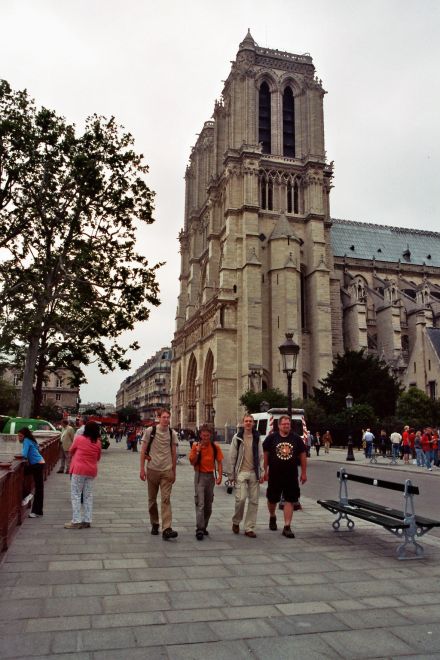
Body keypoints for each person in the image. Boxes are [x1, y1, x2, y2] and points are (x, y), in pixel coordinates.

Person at [263, 414, 307, 539]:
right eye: (284, 424)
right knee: (272, 499)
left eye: (288, 424)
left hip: (291, 475)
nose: (286, 426)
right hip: (275, 474)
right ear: (279, 426)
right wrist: (264, 470)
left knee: (290, 499)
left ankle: (287, 527)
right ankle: (272, 516)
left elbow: (303, 455)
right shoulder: (272, 438)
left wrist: (304, 473)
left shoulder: (296, 438)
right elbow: (265, 454)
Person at [140, 409, 179, 540]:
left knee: (166, 499)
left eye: (168, 417)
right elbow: (143, 450)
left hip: (166, 471)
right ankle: (155, 523)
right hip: (152, 470)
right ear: (158, 418)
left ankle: (167, 528)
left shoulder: (172, 433)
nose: (166, 420)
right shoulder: (150, 431)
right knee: (152, 501)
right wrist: (141, 469)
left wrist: (174, 471)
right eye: (164, 417)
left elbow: (174, 453)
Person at [229, 414, 263, 538]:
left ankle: (249, 527)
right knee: (241, 499)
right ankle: (236, 521)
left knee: (254, 501)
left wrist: (262, 471)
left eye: (250, 421)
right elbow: (232, 456)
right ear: (243, 423)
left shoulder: (257, 437)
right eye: (246, 421)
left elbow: (260, 455)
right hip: (241, 472)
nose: (248, 423)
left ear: (253, 423)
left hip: (254, 472)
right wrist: (231, 475)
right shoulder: (237, 437)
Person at [64, 421, 102, 529]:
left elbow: (71, 450)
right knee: (88, 495)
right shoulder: (98, 442)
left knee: (75, 494)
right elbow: (98, 457)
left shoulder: (79, 439)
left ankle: (76, 521)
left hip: (79, 470)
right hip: (91, 471)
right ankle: (87, 520)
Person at [188, 424, 223, 540]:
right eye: (203, 436)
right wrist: (197, 452)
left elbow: (219, 461)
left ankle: (204, 526)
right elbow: (192, 462)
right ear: (200, 435)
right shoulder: (195, 446)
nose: (205, 438)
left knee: (209, 505)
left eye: (208, 436)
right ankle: (199, 528)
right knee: (200, 503)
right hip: (200, 477)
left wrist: (219, 476)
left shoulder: (215, 447)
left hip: (210, 477)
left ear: (211, 435)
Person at [18, 427, 45, 518]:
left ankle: (27, 494)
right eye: (18, 436)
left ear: (24, 436)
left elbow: (24, 454)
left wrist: (22, 455)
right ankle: (38, 511)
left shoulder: (26, 441)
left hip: (36, 465)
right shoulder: (31, 440)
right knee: (39, 488)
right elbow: (37, 448)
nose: (19, 438)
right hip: (39, 463)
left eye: (20, 436)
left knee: (18, 476)